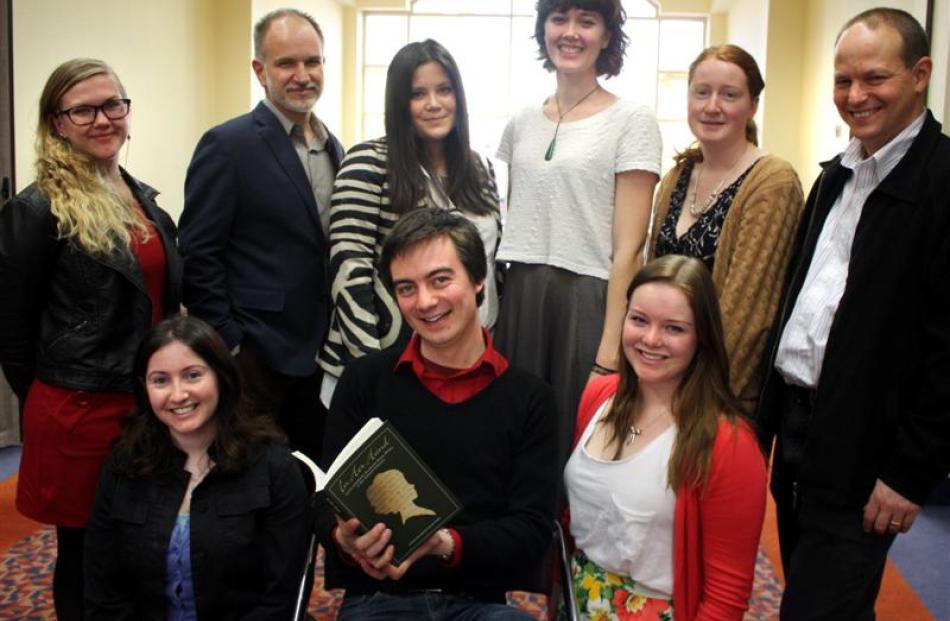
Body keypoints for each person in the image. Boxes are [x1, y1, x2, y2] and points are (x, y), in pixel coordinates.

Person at [755, 8, 950, 619]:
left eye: (875, 79)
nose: (855, 96)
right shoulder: (836, 177)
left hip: (866, 453)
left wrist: (908, 474)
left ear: (920, 74)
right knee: (820, 595)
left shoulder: (943, 184)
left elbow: (949, 352)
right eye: (843, 81)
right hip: (799, 432)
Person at [0, 58, 181, 620]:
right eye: (83, 109)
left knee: (140, 545)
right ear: (57, 122)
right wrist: (52, 396)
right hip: (79, 410)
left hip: (145, 404)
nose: (103, 119)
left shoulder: (140, 196)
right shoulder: (35, 210)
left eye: (113, 105)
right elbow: (12, 331)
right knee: (86, 554)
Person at [316, 208, 558, 621]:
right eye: (406, 288)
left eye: (440, 280)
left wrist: (444, 543)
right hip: (378, 600)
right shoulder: (363, 381)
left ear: (479, 280)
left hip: (481, 605)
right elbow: (325, 502)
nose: (425, 302)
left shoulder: (530, 399)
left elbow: (532, 531)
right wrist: (345, 540)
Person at [495, 0, 661, 465]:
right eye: (559, 19)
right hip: (523, 297)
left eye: (587, 21)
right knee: (516, 438)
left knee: (580, 442)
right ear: (543, 29)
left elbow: (629, 250)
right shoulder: (521, 121)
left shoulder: (631, 121)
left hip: (588, 300)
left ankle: (572, 538)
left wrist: (609, 353)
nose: (571, 32)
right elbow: (523, 218)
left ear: (607, 36)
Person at [178, 8, 344, 461]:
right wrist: (231, 344)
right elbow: (198, 253)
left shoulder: (334, 147)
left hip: (320, 357)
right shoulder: (227, 145)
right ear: (260, 70)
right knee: (254, 484)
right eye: (286, 63)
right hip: (256, 358)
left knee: (316, 480)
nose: (302, 75)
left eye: (312, 62)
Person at [566, 255, 766, 620]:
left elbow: (726, 596)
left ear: (702, 337)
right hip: (575, 596)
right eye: (639, 320)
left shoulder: (728, 444)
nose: (651, 339)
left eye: (674, 328)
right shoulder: (601, 396)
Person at [84, 315, 310, 620]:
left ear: (221, 376)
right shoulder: (123, 465)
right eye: (160, 380)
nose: (177, 395)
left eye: (192, 375)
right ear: (144, 388)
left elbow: (280, 599)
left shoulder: (273, 466)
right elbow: (104, 593)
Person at [318, 39, 502, 406]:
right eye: (418, 94)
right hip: (388, 359)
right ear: (400, 104)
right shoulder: (368, 163)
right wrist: (373, 369)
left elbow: (491, 266)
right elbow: (348, 268)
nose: (434, 104)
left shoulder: (479, 168)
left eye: (444, 90)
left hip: (467, 359)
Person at [649, 44, 803, 413]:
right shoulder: (676, 178)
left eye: (729, 95)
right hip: (660, 378)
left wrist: (695, 401)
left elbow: (749, 319)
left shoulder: (772, 182)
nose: (712, 106)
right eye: (702, 92)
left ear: (752, 106)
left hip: (718, 397)